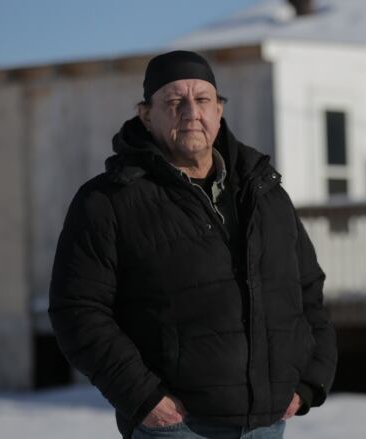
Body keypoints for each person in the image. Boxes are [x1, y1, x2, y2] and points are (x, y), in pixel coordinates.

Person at [48, 50, 337, 439]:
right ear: (146, 114)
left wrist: (309, 382)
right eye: (173, 101)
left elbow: (308, 291)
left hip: (266, 425)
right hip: (177, 428)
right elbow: (77, 310)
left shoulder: (265, 192)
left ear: (219, 110)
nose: (191, 112)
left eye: (202, 100)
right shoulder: (109, 200)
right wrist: (144, 398)